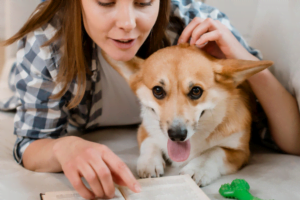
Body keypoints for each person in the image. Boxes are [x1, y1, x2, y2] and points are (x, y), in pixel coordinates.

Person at [1, 0, 299, 199]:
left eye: (143, 1)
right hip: (27, 82)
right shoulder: (48, 45)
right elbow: (30, 143)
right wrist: (65, 147)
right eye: (106, 0)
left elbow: (292, 140)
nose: (127, 23)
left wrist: (240, 56)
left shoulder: (196, 23)